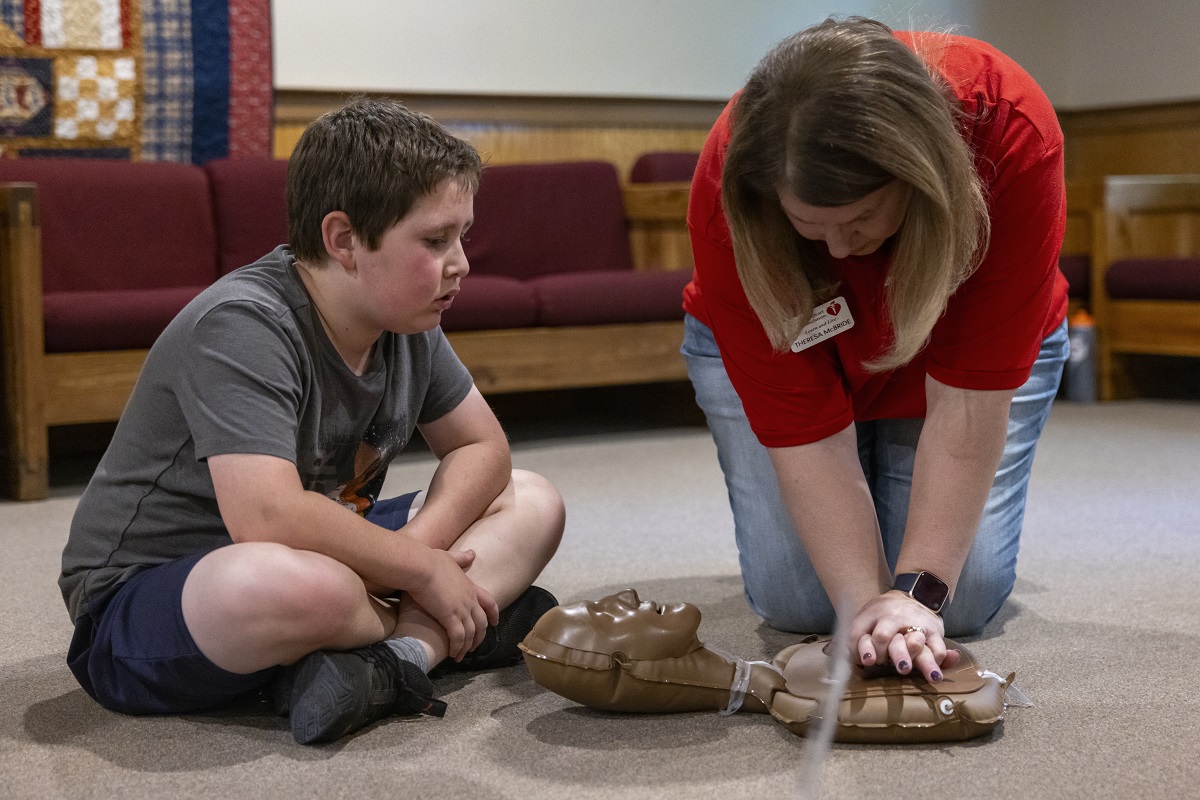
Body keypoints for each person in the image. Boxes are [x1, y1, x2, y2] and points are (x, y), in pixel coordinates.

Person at [58, 98, 566, 745]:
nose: (461, 261)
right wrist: (424, 575)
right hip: (152, 598)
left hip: (330, 551)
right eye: (436, 240)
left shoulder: (405, 318)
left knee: (533, 499)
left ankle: (396, 660)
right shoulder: (243, 322)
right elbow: (266, 519)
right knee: (296, 586)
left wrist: (416, 559)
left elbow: (480, 445)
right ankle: (445, 628)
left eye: (461, 235)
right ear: (345, 241)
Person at [681, 18, 1069, 684]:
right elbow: (806, 434)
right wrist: (866, 609)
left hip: (954, 363)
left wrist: (914, 600)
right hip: (803, 353)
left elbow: (968, 410)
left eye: (859, 221)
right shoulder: (730, 182)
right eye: (810, 228)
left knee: (958, 600)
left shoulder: (1010, 128)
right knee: (801, 601)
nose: (836, 251)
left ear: (918, 176)